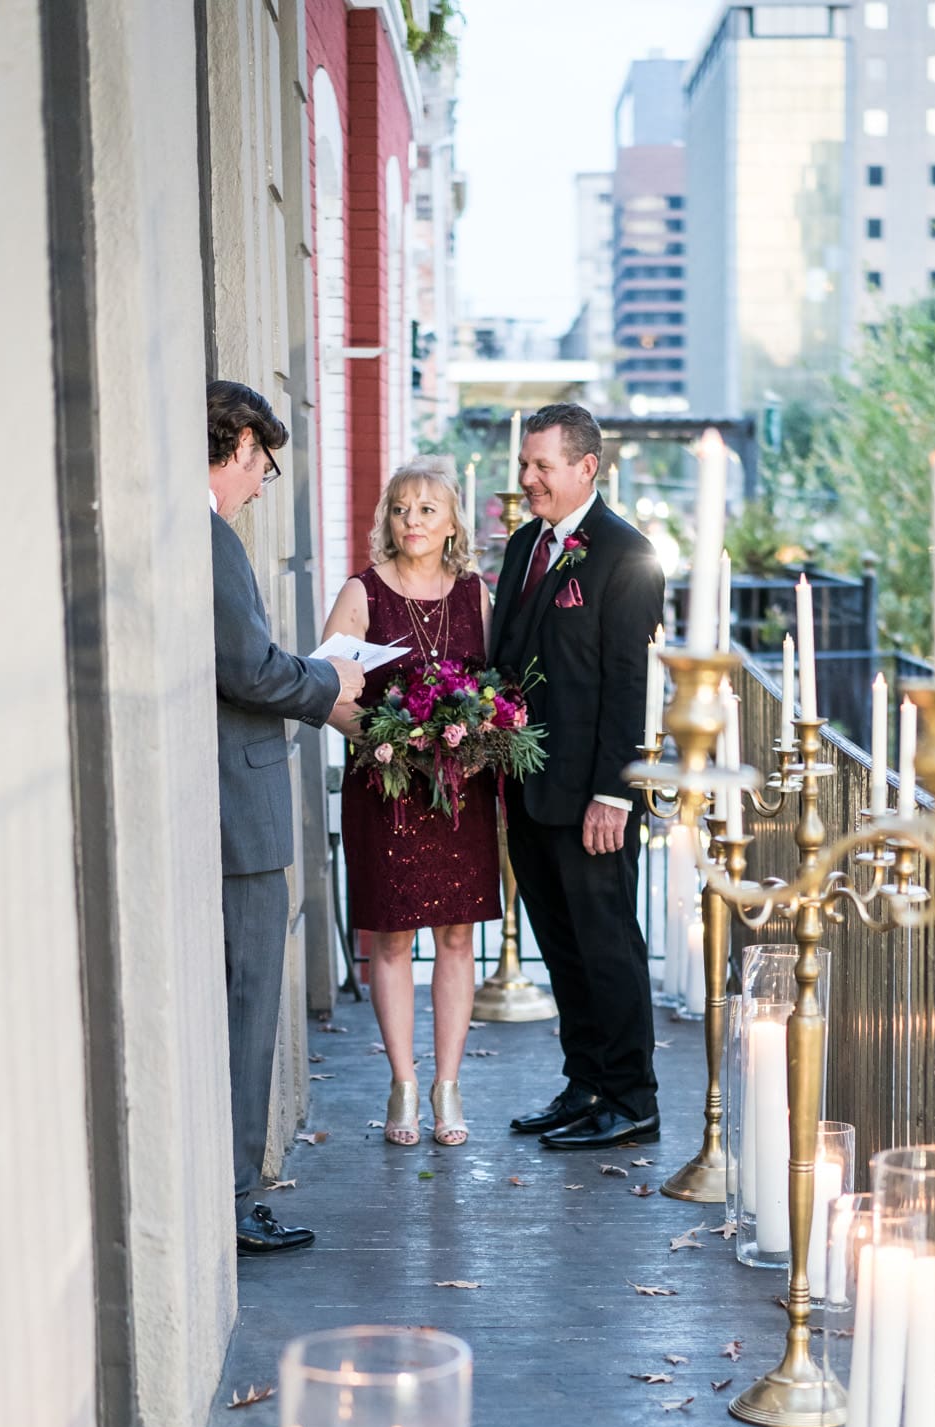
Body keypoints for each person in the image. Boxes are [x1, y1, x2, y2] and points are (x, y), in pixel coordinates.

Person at [209, 380, 364, 1252]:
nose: (263, 482)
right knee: (247, 1008)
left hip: (238, 805)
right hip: (242, 815)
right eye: (262, 462)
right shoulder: (209, 536)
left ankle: (235, 1191)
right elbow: (251, 669)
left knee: (247, 1007)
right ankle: (234, 1201)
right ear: (235, 444)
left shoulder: (204, 534)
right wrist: (328, 685)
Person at [489, 403, 664, 1149]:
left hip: (592, 794)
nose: (525, 480)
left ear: (585, 468)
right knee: (559, 944)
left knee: (606, 944)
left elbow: (631, 683)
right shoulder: (527, 541)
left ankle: (633, 1099)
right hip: (528, 786)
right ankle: (585, 1083)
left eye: (540, 467)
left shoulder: (627, 553)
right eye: (524, 465)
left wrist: (613, 794)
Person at [320, 459, 498, 1147]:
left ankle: (447, 1088)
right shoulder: (362, 593)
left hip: (460, 792)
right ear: (386, 520)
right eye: (400, 508)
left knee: (457, 937)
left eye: (427, 508)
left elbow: (495, 691)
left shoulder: (475, 594)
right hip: (386, 790)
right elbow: (327, 691)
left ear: (451, 520)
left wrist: (478, 738)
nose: (413, 521)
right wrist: (384, 739)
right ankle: (401, 1085)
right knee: (390, 940)